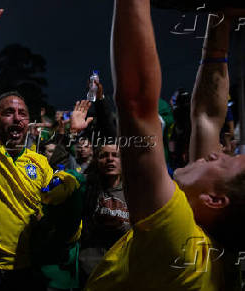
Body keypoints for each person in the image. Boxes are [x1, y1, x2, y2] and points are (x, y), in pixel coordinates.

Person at [86, 2, 245, 290]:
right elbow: (208, 115)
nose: (214, 152)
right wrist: (221, 19)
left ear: (215, 200)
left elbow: (135, 104)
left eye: (222, 161)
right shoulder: (207, 238)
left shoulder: (178, 241)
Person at [0, 4, 90, 290]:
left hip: (29, 270)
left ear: (30, 122)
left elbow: (52, 206)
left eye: (22, 113)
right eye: (8, 112)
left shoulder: (39, 162)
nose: (16, 117)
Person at [79, 144, 129, 283]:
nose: (110, 160)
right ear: (96, 160)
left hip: (122, 270)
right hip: (91, 270)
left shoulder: (134, 192)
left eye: (115, 155)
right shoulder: (85, 189)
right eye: (104, 156)